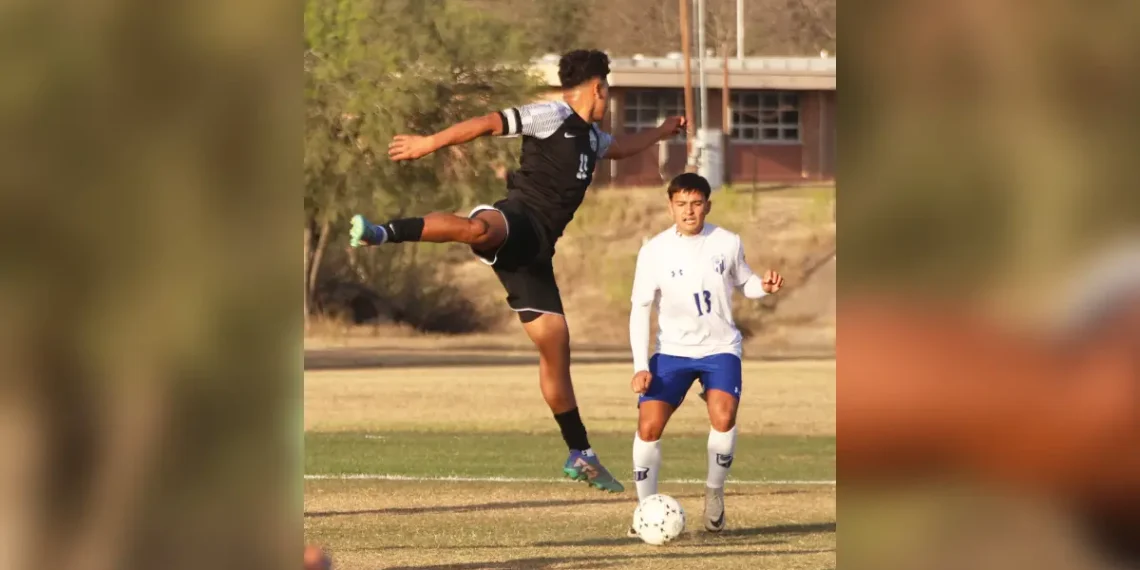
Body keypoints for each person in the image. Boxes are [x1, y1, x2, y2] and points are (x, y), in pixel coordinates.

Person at [348, 49, 686, 493]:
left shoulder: (592, 138)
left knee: (556, 349)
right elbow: (488, 123)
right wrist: (428, 143)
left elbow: (620, 149)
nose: (608, 97)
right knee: (477, 230)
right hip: (518, 218)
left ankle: (580, 452)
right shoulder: (551, 115)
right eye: (607, 89)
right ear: (598, 88)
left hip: (536, 255)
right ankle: (382, 232)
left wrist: (661, 131)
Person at [626, 172, 784, 535]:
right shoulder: (653, 251)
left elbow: (745, 282)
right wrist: (640, 365)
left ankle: (714, 492)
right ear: (670, 207)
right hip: (672, 352)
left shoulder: (727, 242)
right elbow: (640, 308)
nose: (689, 211)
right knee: (648, 426)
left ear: (707, 206)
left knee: (724, 417)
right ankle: (645, 510)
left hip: (720, 348)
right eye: (681, 204)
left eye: (696, 203)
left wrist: (763, 287)